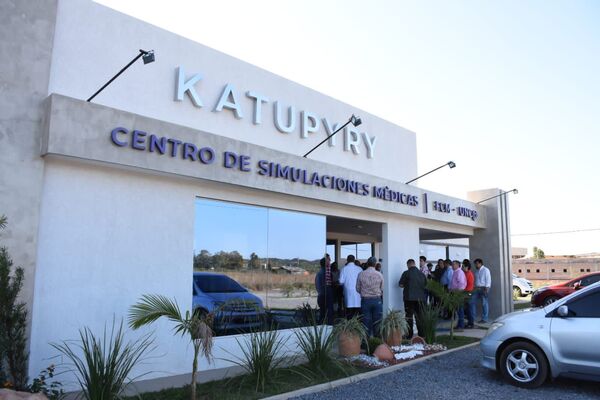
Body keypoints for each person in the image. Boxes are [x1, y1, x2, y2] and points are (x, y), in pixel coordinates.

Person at [399, 258, 427, 338]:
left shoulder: (406, 273)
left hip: (409, 298)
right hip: (421, 299)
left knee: (409, 317)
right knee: (420, 317)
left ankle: (409, 334)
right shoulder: (422, 274)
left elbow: (400, 284)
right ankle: (422, 334)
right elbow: (426, 285)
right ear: (414, 264)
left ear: (408, 264)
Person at [356, 256, 384, 337]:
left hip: (365, 300)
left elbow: (357, 289)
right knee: (377, 321)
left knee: (365, 321)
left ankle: (366, 343)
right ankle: (377, 341)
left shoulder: (361, 274)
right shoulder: (379, 274)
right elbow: (382, 288)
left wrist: (365, 292)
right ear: (375, 264)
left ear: (367, 263)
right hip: (377, 300)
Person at [470, 258, 492, 323]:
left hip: (484, 288)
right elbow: (476, 281)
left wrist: (487, 288)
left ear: (480, 263)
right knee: (471, 302)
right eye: (475, 264)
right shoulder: (476, 271)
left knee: (484, 303)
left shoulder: (486, 270)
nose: (475, 265)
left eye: (476, 264)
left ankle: (485, 319)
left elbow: (488, 279)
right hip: (476, 288)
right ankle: (472, 317)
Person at [449, 260, 467, 330]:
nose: (452, 266)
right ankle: (459, 325)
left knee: (460, 310)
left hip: (458, 293)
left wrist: (457, 292)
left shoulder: (459, 272)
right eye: (452, 264)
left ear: (457, 265)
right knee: (458, 310)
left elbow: (461, 284)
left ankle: (461, 325)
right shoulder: (455, 272)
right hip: (454, 293)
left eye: (453, 264)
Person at [462, 259, 475, 328]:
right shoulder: (465, 273)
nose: (462, 268)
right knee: (466, 309)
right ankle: (469, 322)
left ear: (467, 267)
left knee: (469, 308)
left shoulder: (468, 273)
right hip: (466, 292)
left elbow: (464, 283)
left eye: (463, 266)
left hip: (468, 292)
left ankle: (471, 323)